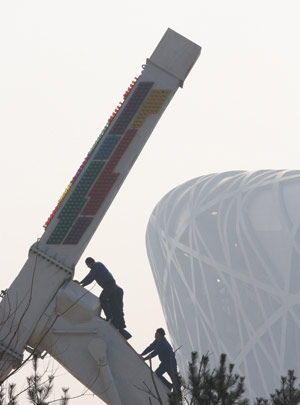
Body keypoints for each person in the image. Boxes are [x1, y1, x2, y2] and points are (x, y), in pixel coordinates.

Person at [79, 257, 131, 339]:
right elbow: (91, 278)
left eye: (87, 265)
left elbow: (90, 276)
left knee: (103, 299)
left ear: (88, 264)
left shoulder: (96, 265)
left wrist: (81, 283)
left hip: (110, 285)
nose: (88, 267)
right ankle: (118, 325)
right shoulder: (97, 267)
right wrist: (82, 284)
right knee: (114, 306)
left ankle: (109, 317)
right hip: (111, 285)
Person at [141, 328, 180, 395]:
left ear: (160, 335)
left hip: (170, 363)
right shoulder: (158, 340)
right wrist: (142, 354)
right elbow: (151, 347)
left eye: (157, 333)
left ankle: (177, 395)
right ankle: (169, 386)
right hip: (164, 363)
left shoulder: (163, 344)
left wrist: (145, 359)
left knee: (175, 380)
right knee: (157, 374)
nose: (155, 334)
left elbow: (155, 352)